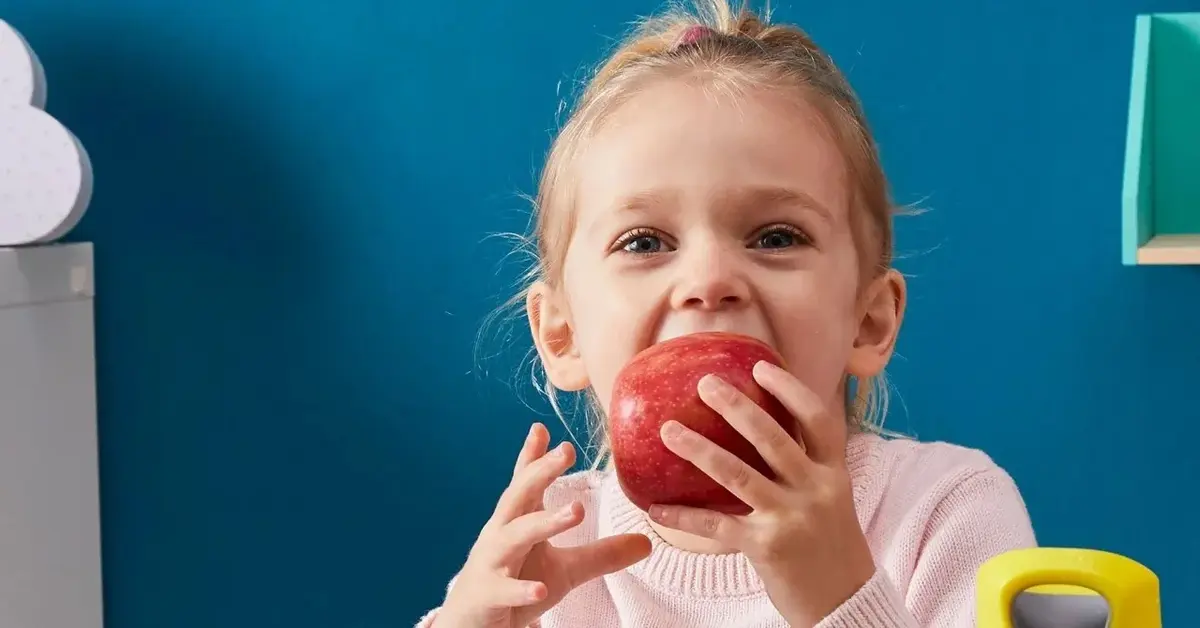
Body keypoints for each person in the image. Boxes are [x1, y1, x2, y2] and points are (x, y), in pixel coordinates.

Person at [418, 1, 1036, 625]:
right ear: (562, 334)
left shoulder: (944, 511)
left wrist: (842, 598)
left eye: (775, 237)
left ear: (869, 321)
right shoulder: (553, 546)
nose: (709, 281)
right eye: (644, 242)